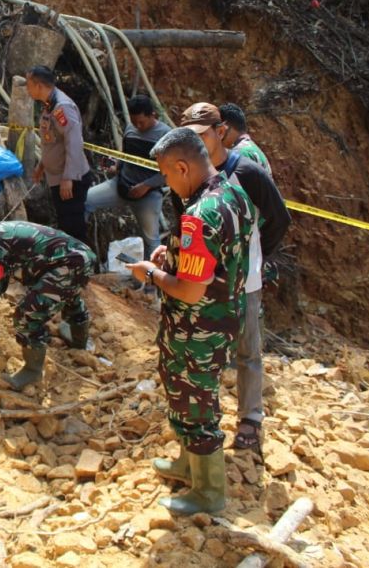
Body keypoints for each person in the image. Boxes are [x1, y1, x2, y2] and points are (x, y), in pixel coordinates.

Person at [127, 126, 253, 515]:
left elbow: (190, 290)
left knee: (196, 405)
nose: (166, 183)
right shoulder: (232, 192)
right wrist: (174, 254)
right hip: (223, 319)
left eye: (166, 174)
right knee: (186, 396)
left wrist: (151, 274)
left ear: (182, 167)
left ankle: (208, 492)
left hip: (196, 329)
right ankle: (188, 466)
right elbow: (217, 258)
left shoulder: (199, 215)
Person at [180, 103, 290, 451]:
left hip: (244, 281)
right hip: (204, 280)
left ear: (220, 131)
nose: (196, 144)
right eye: (190, 138)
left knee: (248, 351)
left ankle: (251, 418)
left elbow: (279, 218)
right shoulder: (191, 172)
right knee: (203, 349)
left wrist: (253, 257)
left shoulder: (247, 170)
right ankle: (203, 421)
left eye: (202, 136)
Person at [0, 203, 97, 390]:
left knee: (26, 315)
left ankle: (32, 371)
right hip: (80, 257)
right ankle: (79, 343)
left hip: (68, 263)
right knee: (68, 294)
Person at [85, 94, 171, 259]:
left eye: (141, 122)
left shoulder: (166, 136)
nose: (137, 126)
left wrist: (146, 185)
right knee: (86, 200)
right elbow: (126, 155)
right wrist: (116, 167)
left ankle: (152, 275)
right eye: (134, 121)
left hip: (148, 194)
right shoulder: (130, 129)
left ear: (153, 115)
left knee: (151, 241)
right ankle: (78, 252)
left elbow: (170, 172)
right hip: (121, 185)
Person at [26, 66, 91, 243]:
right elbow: (52, 142)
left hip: (70, 181)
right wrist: (41, 166)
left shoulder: (62, 107)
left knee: (74, 229)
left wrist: (69, 178)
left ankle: (81, 259)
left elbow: (74, 143)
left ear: (39, 86)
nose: (27, 89)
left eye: (29, 85)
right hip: (58, 178)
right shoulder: (50, 105)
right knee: (66, 225)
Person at [218, 103, 272, 176]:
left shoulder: (240, 153)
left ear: (225, 127)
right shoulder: (250, 148)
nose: (218, 135)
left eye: (219, 131)